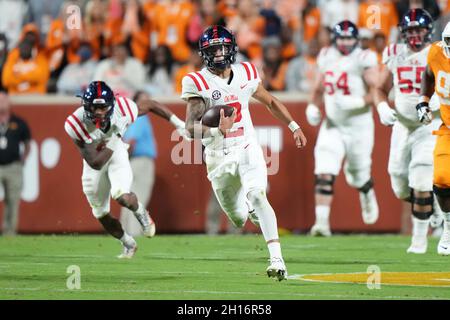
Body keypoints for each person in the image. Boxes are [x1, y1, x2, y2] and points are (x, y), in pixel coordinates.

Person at [182, 25, 307, 281]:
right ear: (204, 52)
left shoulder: (247, 72)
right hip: (218, 156)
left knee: (258, 195)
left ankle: (277, 259)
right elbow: (189, 129)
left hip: (247, 146)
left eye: (222, 47)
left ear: (231, 48)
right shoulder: (196, 81)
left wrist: (294, 126)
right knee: (238, 218)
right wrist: (217, 130)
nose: (218, 53)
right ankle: (248, 209)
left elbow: (270, 101)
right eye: (213, 49)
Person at [64, 81, 186, 258]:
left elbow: (150, 104)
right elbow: (95, 162)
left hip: (116, 154)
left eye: (103, 107)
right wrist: (115, 137)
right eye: (94, 108)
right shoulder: (75, 123)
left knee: (121, 195)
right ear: (85, 105)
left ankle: (140, 212)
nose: (99, 113)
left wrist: (178, 123)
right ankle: (128, 243)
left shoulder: (124, 109)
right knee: (100, 212)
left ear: (112, 105)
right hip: (96, 160)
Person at [374, 9, 443, 254]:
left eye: (419, 29)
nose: (414, 34)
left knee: (421, 176)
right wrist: (381, 105)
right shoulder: (395, 53)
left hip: (430, 125)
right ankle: (435, 205)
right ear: (403, 32)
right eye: (410, 30)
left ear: (429, 30)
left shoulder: (438, 52)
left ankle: (419, 242)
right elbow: (380, 88)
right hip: (403, 126)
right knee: (400, 186)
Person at [306, 20, 379, 236]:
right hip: (333, 124)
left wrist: (359, 101)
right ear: (335, 39)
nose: (345, 42)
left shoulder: (364, 58)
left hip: (359, 126)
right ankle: (321, 223)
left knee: (357, 176)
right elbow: (319, 87)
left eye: (349, 38)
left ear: (356, 39)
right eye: (341, 38)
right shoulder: (327, 55)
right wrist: (312, 105)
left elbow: (378, 90)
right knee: (324, 170)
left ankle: (366, 190)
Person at [416, 21, 450, 256]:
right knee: (440, 178)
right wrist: (423, 100)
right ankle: (448, 223)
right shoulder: (437, 51)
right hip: (448, 127)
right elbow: (429, 74)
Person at [119, 91, 157, 237]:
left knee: (130, 199)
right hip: (141, 162)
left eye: (149, 100)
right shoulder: (140, 119)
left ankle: (125, 233)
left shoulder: (131, 119)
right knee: (139, 199)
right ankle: (134, 233)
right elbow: (132, 142)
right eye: (144, 101)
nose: (148, 104)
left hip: (132, 162)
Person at [0, 92, 31, 236]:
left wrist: (22, 159)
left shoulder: (18, 122)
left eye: (3, 100)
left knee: (13, 200)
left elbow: (27, 143)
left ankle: (10, 232)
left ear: (9, 102)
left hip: (13, 166)